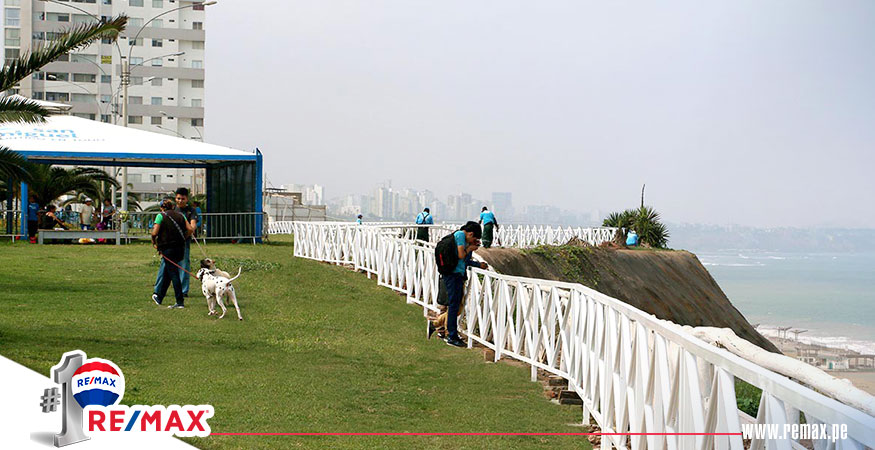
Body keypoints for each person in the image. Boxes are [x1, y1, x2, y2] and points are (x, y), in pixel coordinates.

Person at [438, 221, 488, 348]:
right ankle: (451, 336)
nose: (474, 241)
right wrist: (470, 248)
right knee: (454, 306)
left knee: (456, 305)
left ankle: (440, 327)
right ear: (470, 233)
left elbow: (464, 260)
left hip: (457, 275)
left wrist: (477, 263)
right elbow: (461, 255)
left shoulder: (462, 239)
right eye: (474, 238)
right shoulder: (460, 235)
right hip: (453, 275)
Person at [154, 188, 199, 299]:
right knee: (164, 265)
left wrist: (184, 237)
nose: (180, 201)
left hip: (183, 242)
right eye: (178, 198)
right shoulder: (173, 209)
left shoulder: (191, 211)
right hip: (169, 242)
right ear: (175, 199)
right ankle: (158, 289)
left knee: (184, 264)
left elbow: (192, 226)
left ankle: (183, 291)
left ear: (187, 199)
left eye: (183, 199)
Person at [150, 199, 191, 309]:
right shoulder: (181, 215)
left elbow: (154, 232)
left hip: (167, 248)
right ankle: (159, 297)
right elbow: (190, 229)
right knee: (169, 272)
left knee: (173, 273)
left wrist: (154, 241)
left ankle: (180, 301)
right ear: (173, 206)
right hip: (180, 248)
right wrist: (184, 237)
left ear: (162, 208)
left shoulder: (161, 216)